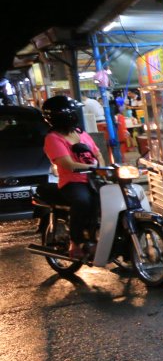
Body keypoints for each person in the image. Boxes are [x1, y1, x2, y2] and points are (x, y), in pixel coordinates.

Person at [42, 95, 103, 259]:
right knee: (83, 201)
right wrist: (94, 167)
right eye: (73, 111)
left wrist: (102, 168)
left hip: (94, 179)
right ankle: (76, 242)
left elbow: (97, 153)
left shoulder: (81, 133)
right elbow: (68, 164)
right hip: (73, 183)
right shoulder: (53, 138)